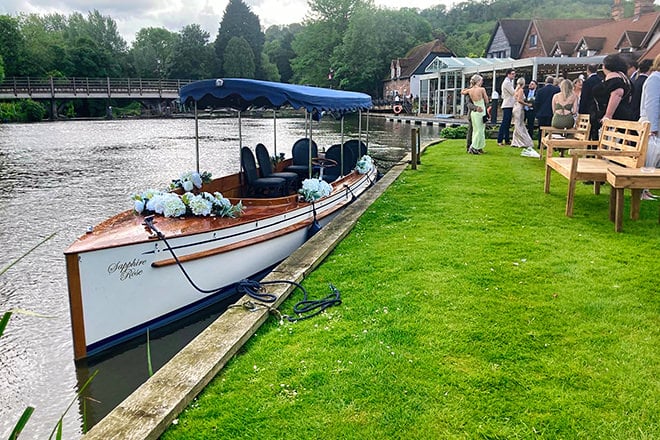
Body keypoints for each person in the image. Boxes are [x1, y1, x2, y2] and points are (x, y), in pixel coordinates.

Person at [638, 54, 660, 200]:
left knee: (653, 158)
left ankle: (646, 189)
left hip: (652, 124)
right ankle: (642, 189)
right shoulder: (655, 79)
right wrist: (654, 127)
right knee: (649, 157)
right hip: (650, 124)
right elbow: (652, 104)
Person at [534, 76, 560, 148]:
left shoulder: (540, 91)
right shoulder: (557, 90)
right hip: (552, 112)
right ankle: (549, 144)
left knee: (541, 130)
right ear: (553, 82)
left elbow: (537, 103)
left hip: (542, 113)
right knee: (551, 130)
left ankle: (540, 144)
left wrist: (537, 112)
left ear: (546, 82)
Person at [466, 74, 489, 155]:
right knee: (477, 130)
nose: (482, 82)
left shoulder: (469, 90)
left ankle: (479, 147)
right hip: (478, 111)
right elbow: (468, 104)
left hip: (477, 112)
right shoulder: (481, 89)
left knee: (478, 130)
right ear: (478, 81)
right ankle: (472, 147)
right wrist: (476, 107)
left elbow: (462, 92)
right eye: (481, 80)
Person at [579, 64, 602, 140]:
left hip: (588, 109)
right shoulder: (601, 80)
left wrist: (581, 111)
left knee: (589, 129)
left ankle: (588, 145)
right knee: (596, 129)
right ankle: (595, 145)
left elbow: (584, 97)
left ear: (588, 70)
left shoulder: (587, 82)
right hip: (599, 109)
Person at [511, 77, 534, 148]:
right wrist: (527, 104)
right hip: (519, 108)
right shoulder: (520, 90)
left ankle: (516, 141)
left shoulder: (516, 90)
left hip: (515, 108)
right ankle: (525, 141)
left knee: (518, 125)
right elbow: (519, 100)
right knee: (520, 125)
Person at [497, 69, 515, 145]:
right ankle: (500, 140)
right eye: (512, 74)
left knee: (507, 123)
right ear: (508, 74)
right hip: (507, 104)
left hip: (509, 104)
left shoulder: (509, 82)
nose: (514, 75)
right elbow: (513, 92)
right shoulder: (507, 83)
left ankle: (507, 139)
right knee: (505, 122)